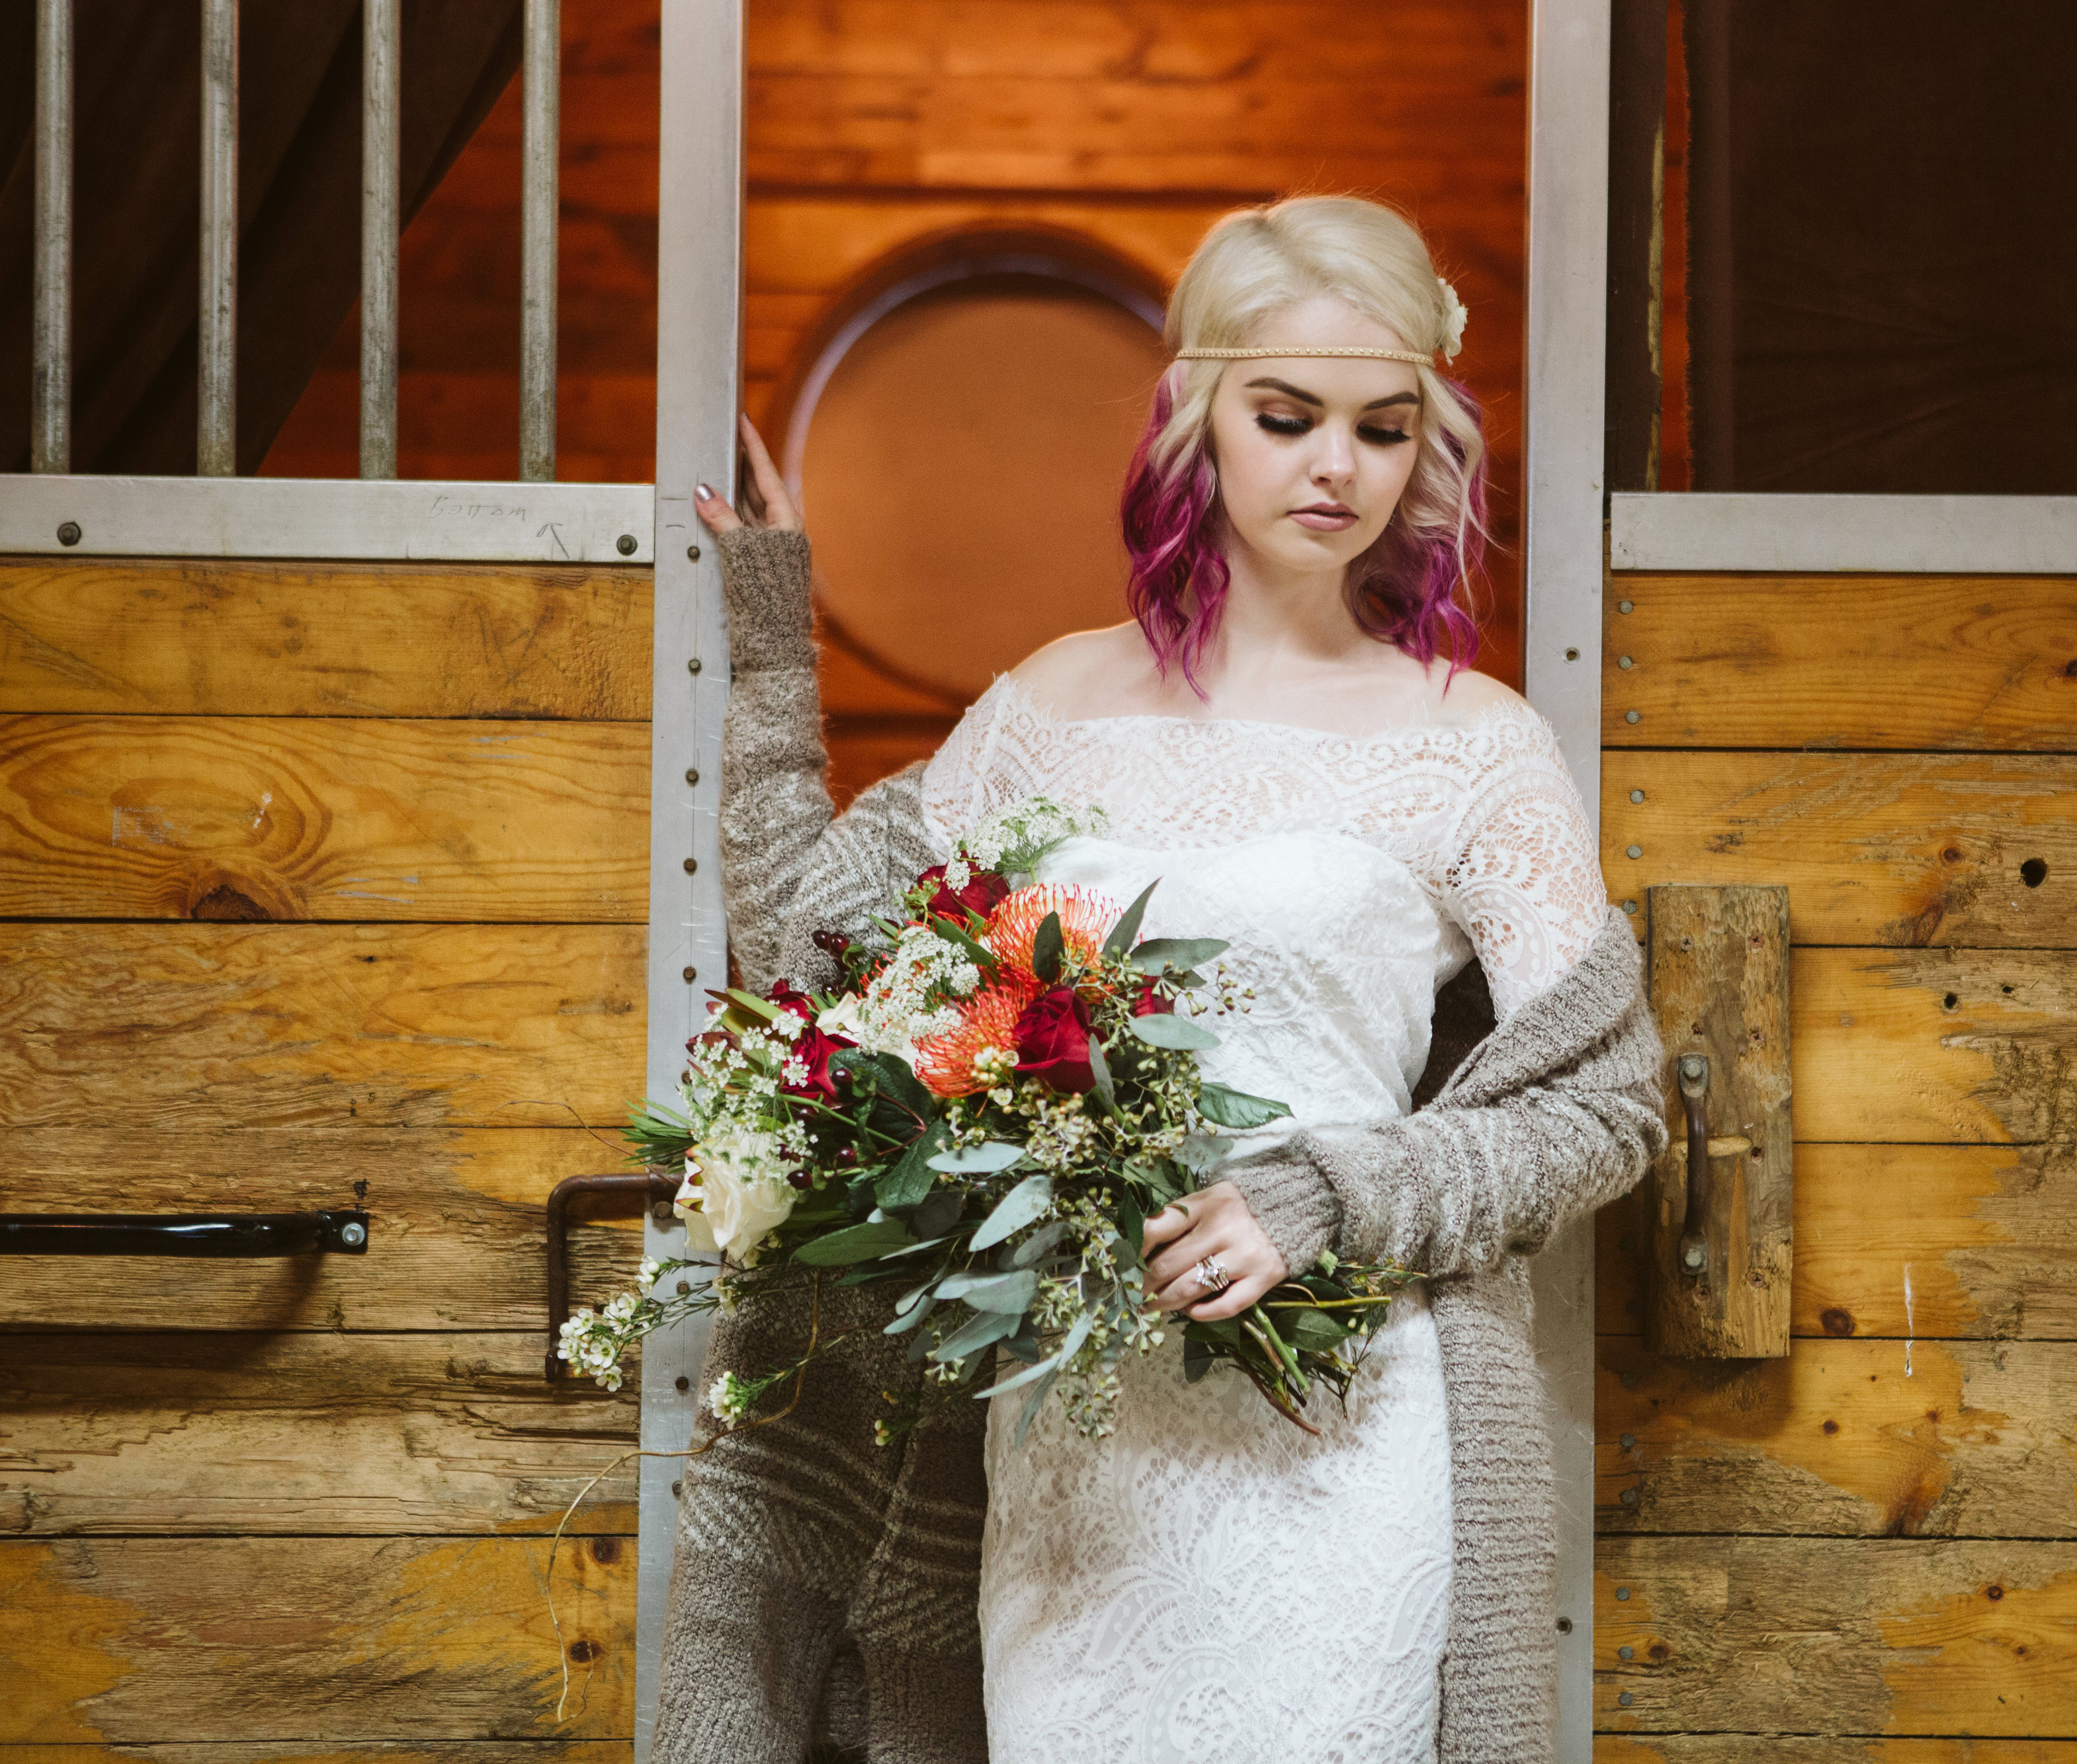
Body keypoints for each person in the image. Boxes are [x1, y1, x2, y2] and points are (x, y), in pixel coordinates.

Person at [656, 196, 1662, 1764]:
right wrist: (774, 634)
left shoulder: (1472, 743)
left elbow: (1606, 1103)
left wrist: (1322, 1192)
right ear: (1198, 413)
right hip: (1076, 1436)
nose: (1337, 466)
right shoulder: (1047, 706)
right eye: (1288, 416)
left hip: (1341, 1428)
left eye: (1383, 428)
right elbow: (830, 966)